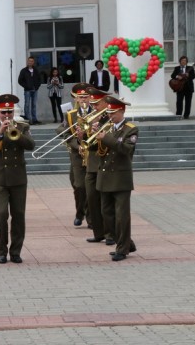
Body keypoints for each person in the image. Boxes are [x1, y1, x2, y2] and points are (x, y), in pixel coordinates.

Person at [0, 94, 35, 264]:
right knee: (0, 215)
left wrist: (17, 133)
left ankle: (16, 251)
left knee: (18, 215)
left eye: (9, 112)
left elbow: (31, 145)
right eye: (4, 112)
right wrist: (0, 132)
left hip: (18, 178)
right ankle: (2, 250)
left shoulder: (22, 126)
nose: (7, 115)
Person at [95, 96, 138, 261]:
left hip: (121, 179)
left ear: (121, 111)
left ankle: (122, 248)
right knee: (107, 214)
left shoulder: (131, 129)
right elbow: (94, 147)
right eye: (109, 112)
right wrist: (85, 136)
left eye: (113, 113)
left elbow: (125, 149)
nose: (110, 116)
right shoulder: (108, 127)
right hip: (105, 177)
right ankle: (127, 243)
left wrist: (105, 137)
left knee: (122, 216)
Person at [79, 87, 114, 245]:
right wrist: (82, 136)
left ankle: (110, 234)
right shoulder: (91, 117)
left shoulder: (110, 118)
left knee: (106, 203)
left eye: (96, 103)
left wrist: (98, 129)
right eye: (92, 103)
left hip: (104, 165)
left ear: (105, 103)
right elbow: (88, 144)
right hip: (91, 165)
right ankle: (98, 232)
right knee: (92, 200)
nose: (93, 106)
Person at [60, 83, 92, 228]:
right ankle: (80, 213)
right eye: (81, 97)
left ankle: (91, 218)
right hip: (77, 153)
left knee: (91, 186)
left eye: (86, 97)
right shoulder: (70, 115)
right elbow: (65, 133)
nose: (84, 100)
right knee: (79, 186)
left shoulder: (97, 113)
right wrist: (77, 145)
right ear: (76, 99)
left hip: (93, 152)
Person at [17, 56, 43, 124]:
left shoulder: (36, 70)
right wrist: (26, 86)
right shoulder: (23, 71)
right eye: (29, 61)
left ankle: (34, 119)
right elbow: (20, 80)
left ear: (33, 62)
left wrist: (37, 86)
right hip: (27, 90)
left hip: (35, 90)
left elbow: (39, 79)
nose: (30, 62)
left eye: (31, 61)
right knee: (27, 105)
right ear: (27, 61)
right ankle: (28, 119)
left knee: (34, 105)